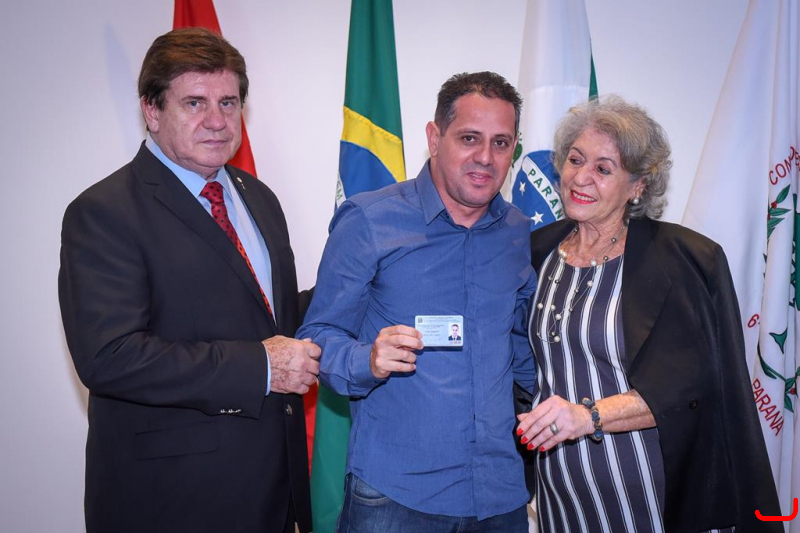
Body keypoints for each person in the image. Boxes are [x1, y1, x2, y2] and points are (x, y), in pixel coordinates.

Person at [58, 28, 320, 533]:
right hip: (171, 501)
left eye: (229, 102)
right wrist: (260, 366)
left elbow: (271, 320)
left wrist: (358, 281)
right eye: (195, 103)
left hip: (274, 489)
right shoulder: (104, 212)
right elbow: (110, 356)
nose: (217, 121)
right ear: (152, 110)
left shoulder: (258, 197)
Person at [516, 95, 781, 532]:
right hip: (561, 492)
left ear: (637, 186)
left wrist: (588, 416)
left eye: (604, 169)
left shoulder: (678, 259)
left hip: (648, 491)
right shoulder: (535, 252)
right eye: (575, 160)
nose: (581, 177)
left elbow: (689, 390)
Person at [298, 72, 536, 532]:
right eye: (469, 138)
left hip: (499, 495)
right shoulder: (370, 220)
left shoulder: (517, 232)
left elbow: (522, 348)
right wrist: (367, 359)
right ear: (434, 137)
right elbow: (317, 336)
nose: (485, 157)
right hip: (396, 496)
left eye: (501, 143)